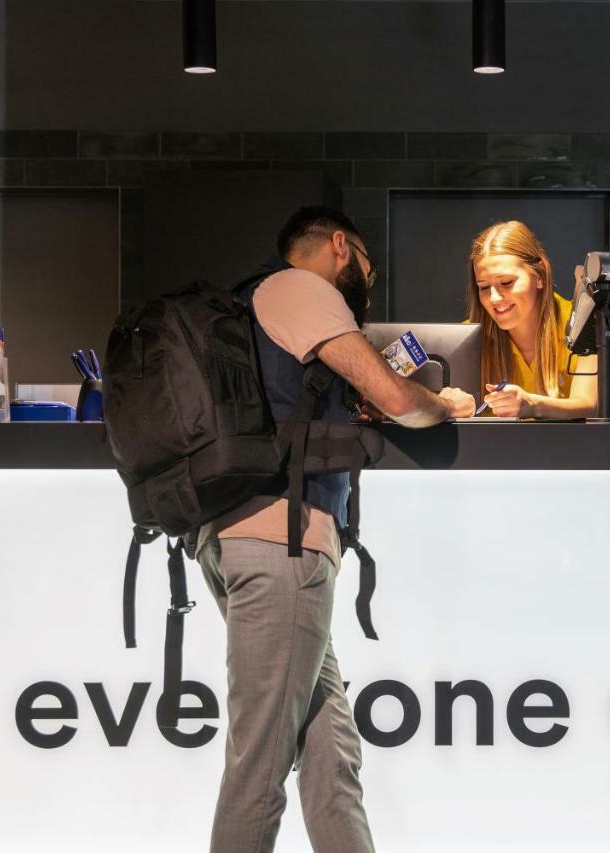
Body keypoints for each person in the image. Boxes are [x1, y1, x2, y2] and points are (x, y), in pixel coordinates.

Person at [196, 207, 475, 853]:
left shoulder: (251, 300)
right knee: (259, 772)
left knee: (331, 755)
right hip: (280, 545)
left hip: (247, 537)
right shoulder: (301, 288)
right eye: (368, 271)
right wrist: (445, 403)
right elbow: (399, 398)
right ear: (342, 247)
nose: (366, 288)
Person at [467, 220, 598, 418]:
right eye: (484, 287)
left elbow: (591, 405)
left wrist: (532, 405)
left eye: (506, 282)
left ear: (540, 275)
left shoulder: (587, 320)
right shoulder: (466, 339)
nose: (494, 298)